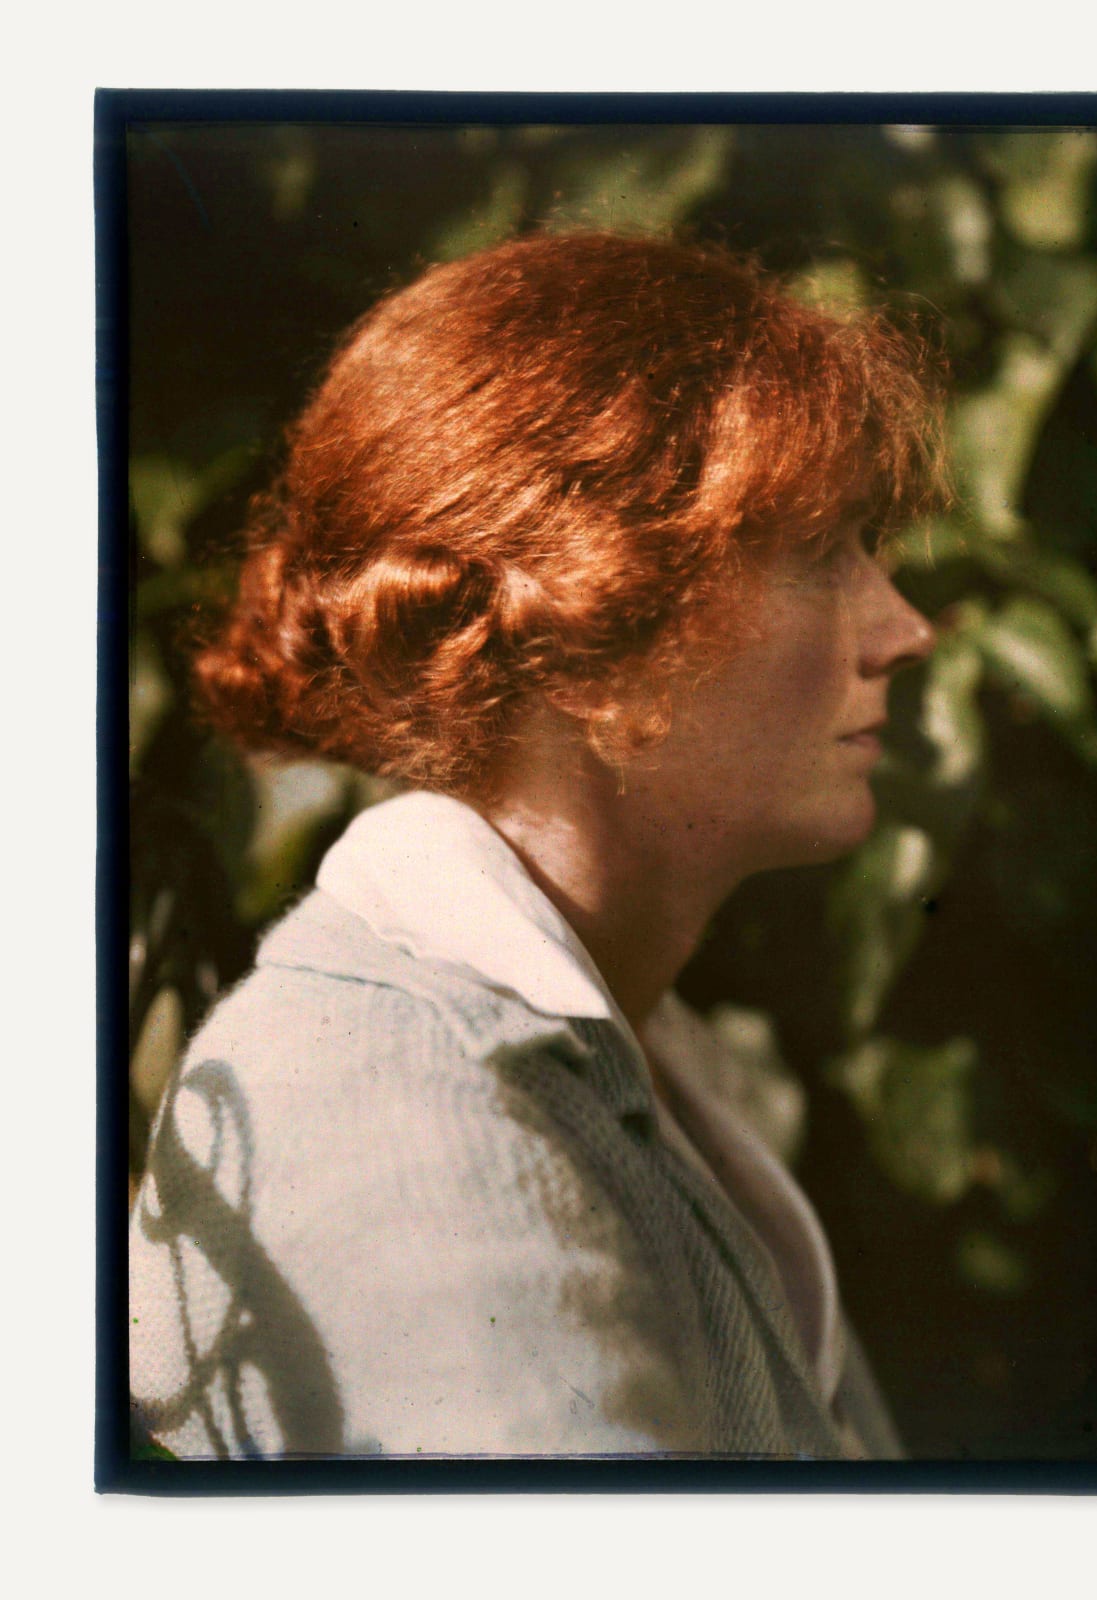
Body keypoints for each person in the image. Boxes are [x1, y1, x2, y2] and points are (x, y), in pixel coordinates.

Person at [128, 230, 949, 1459]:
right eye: (820, 554)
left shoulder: (621, 1052)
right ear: (590, 623)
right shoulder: (397, 1098)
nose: (906, 630)